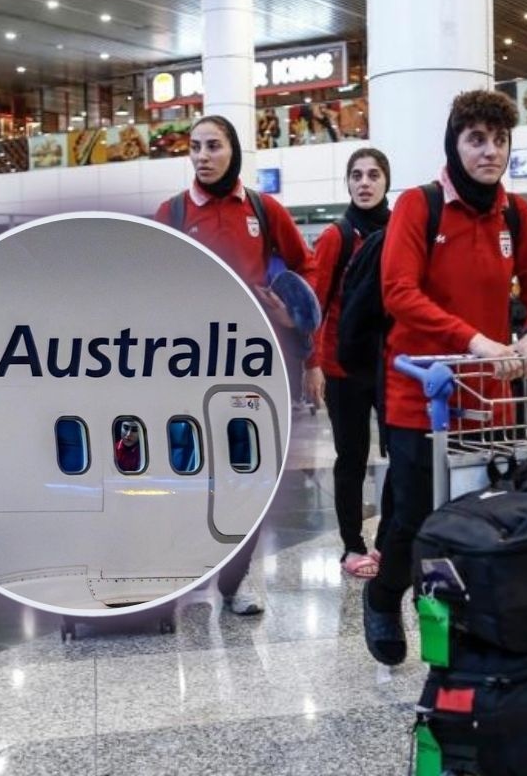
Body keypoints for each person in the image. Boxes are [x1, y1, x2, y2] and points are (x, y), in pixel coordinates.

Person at [361, 89, 527, 666]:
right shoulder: (418, 207)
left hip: (489, 398)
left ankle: (463, 627)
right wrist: (473, 340)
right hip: (421, 396)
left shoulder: (516, 214)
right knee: (412, 519)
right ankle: (382, 595)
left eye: (499, 140)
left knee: (484, 516)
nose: (490, 151)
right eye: (477, 139)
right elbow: (398, 292)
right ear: (454, 142)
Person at [154, 114, 319, 615]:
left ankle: (235, 582)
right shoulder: (174, 211)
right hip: (187, 364)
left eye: (213, 146)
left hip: (252, 364)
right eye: (195, 147)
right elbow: (147, 275)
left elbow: (306, 266)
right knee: (186, 470)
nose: (202, 156)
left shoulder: (264, 211)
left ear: (234, 151)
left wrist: (292, 313)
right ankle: (185, 572)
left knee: (247, 476)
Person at [310, 147, 395, 579]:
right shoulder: (336, 237)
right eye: (357, 175)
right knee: (352, 458)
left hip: (391, 367)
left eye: (373, 174)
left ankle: (386, 542)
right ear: (348, 183)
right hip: (344, 367)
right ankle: (351, 545)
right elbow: (316, 303)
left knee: (403, 453)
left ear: (386, 182)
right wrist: (313, 363)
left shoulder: (403, 231)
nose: (364, 182)